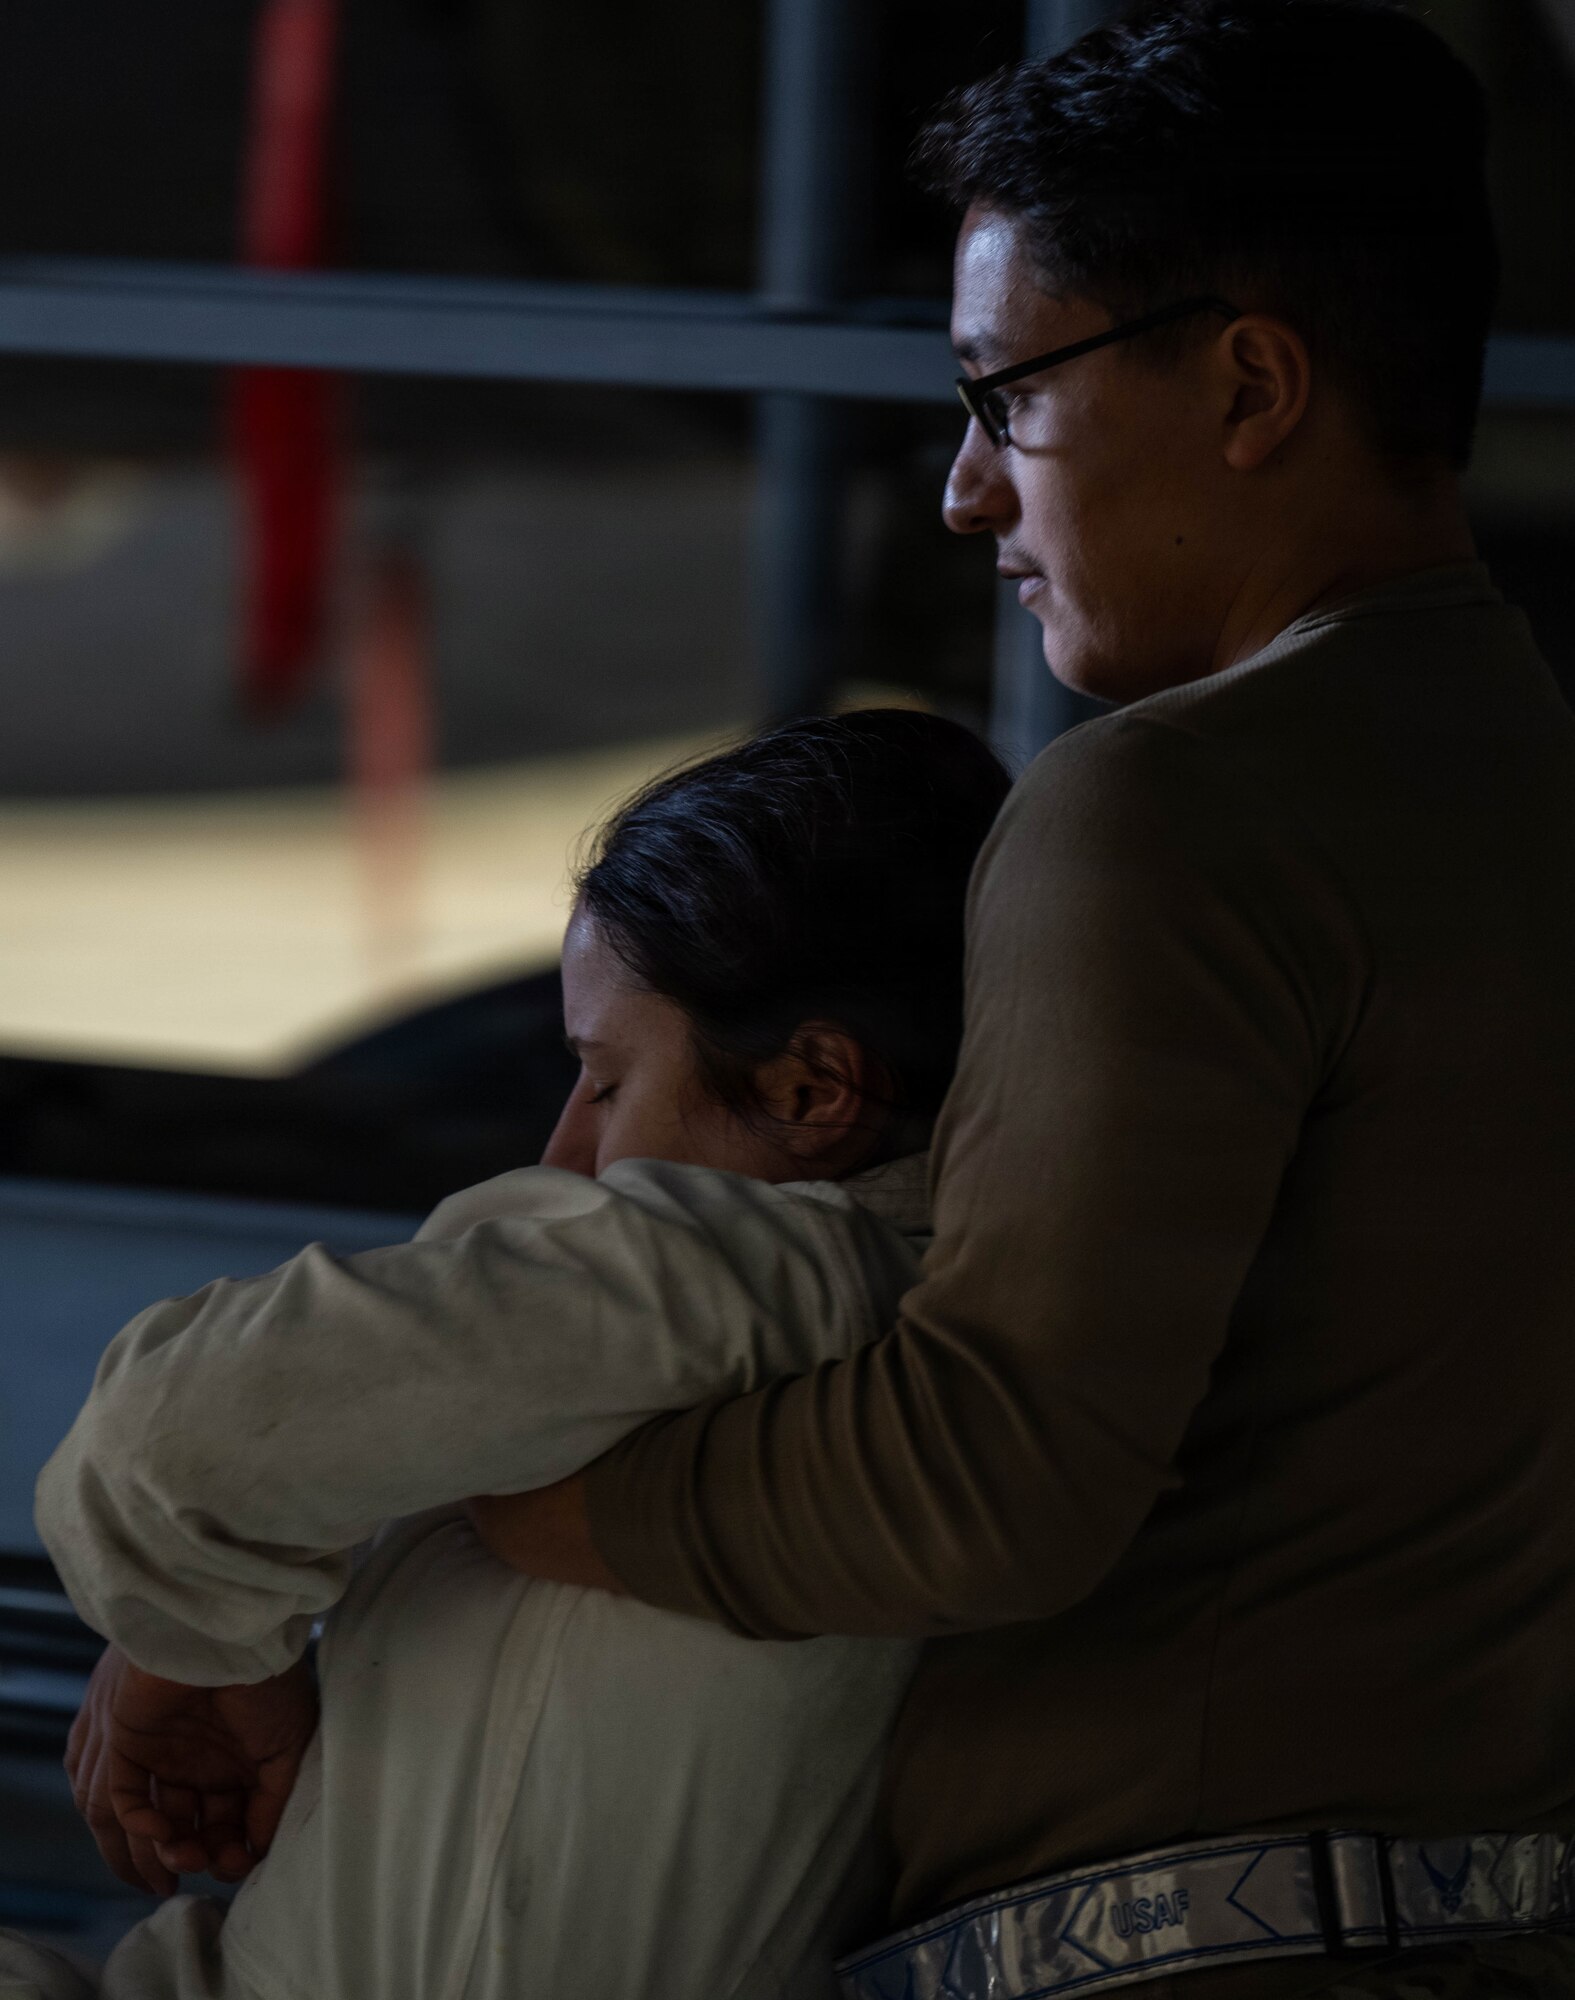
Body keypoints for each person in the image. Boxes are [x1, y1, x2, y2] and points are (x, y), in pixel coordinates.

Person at [484, 6, 1575, 1997]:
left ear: (1249, 380)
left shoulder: (1166, 801)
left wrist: (468, 1495)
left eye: (1009, 394)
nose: (966, 494)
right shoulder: (1517, 754)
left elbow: (978, 1471)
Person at [14, 710, 1010, 2000]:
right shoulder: (892, 1322)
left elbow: (175, 1439)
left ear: (813, 1092)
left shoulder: (746, 1271)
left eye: (604, 1080)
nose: (561, 1154)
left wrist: (196, 1644)